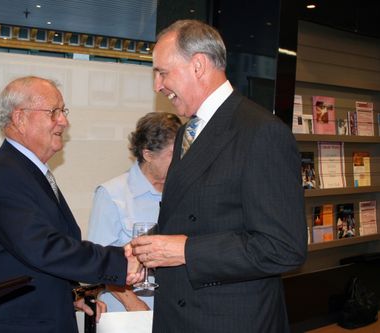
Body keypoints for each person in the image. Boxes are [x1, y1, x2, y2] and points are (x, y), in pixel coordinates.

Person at [131, 20, 307, 332]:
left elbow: (283, 247)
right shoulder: (189, 130)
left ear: (198, 65)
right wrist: (145, 248)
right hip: (184, 315)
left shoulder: (262, 132)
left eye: (163, 72)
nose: (157, 85)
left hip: (231, 320)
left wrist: (185, 250)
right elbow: (197, 211)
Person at [0, 76, 142, 333]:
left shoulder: (24, 171)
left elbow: (27, 262)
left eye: (63, 112)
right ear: (19, 118)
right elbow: (43, 247)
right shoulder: (4, 174)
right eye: (53, 112)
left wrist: (70, 296)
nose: (64, 121)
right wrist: (119, 262)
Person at [87, 111, 181, 312]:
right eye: (173, 155)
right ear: (148, 154)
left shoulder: (183, 193)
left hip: (175, 311)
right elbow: (98, 263)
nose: (181, 161)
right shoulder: (112, 194)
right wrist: (133, 304)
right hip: (130, 312)